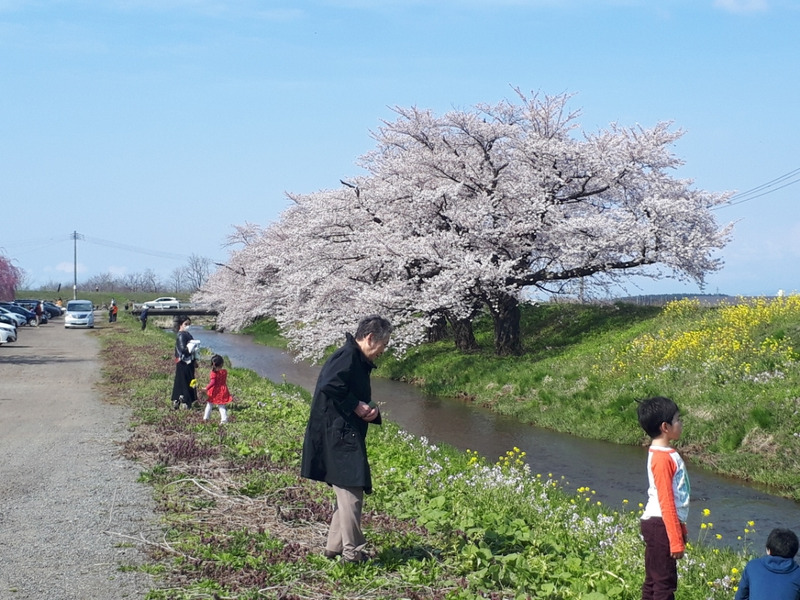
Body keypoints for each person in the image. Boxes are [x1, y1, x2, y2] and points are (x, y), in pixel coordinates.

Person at [300, 315, 392, 564]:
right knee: (351, 492)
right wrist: (356, 405)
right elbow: (331, 384)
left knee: (346, 491)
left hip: (342, 432)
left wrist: (370, 411)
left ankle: (334, 547)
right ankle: (352, 554)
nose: (384, 350)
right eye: (384, 343)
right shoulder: (348, 355)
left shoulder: (356, 358)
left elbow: (349, 393)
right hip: (338, 435)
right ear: (370, 337)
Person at [637, 396, 690, 600]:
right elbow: (666, 501)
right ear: (665, 427)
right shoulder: (662, 458)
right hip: (660, 525)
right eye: (678, 419)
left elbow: (677, 500)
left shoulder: (664, 453)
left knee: (654, 580)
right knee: (663, 584)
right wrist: (675, 540)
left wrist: (681, 527)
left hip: (660, 524)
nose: (681, 423)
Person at [735, 528, 800, 600]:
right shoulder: (797, 574)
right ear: (795, 553)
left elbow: (740, 597)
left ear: (768, 550)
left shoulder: (753, 566)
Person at [171, 316, 199, 410]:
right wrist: (191, 347)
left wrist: (195, 360)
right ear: (180, 325)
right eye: (186, 324)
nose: (188, 326)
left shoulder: (187, 334)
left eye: (189, 324)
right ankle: (184, 400)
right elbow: (183, 350)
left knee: (186, 380)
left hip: (189, 361)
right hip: (183, 362)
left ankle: (179, 400)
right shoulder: (181, 335)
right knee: (184, 381)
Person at [202, 355, 233, 423]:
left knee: (209, 404)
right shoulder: (224, 371)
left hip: (214, 391)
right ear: (222, 364)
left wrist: (206, 388)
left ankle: (206, 418)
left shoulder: (213, 373)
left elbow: (213, 382)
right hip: (222, 390)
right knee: (221, 406)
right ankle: (224, 419)